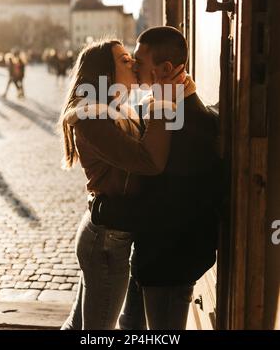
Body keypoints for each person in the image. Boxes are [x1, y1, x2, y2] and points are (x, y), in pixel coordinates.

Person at [89, 26, 222, 330]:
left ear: (164, 69)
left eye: (139, 61)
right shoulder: (170, 106)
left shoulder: (185, 122)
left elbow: (167, 207)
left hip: (169, 263)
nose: (134, 67)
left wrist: (105, 211)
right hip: (153, 256)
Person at [59, 38, 181, 330]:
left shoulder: (119, 107)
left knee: (79, 325)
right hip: (105, 240)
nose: (134, 64)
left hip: (107, 233)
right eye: (125, 60)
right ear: (106, 73)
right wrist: (164, 99)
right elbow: (149, 162)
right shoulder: (93, 117)